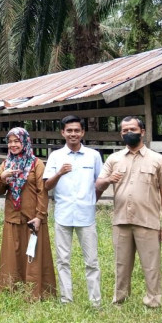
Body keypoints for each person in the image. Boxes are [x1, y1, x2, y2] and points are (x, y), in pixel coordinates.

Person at [96, 116, 162, 308]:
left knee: (151, 265)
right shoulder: (114, 159)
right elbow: (98, 183)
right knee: (121, 265)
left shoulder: (158, 160)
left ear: (143, 132)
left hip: (147, 221)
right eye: (124, 130)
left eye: (132, 129)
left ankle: (153, 301)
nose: (128, 133)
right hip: (121, 220)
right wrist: (108, 180)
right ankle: (120, 300)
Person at [43, 115, 102, 306]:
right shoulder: (55, 156)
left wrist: (91, 201)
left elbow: (99, 183)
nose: (73, 134)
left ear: (83, 132)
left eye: (77, 130)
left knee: (91, 261)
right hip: (63, 215)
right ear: (62, 133)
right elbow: (46, 186)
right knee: (63, 260)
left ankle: (95, 301)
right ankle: (66, 299)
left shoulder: (93, 156)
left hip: (86, 215)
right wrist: (59, 173)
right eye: (69, 130)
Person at [0, 127, 56, 300]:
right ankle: (11, 290)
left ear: (25, 142)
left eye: (17, 141)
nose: (13, 145)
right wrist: (3, 178)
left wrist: (40, 216)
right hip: (13, 216)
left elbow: (42, 192)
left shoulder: (36, 163)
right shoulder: (6, 163)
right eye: (10, 141)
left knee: (33, 255)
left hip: (33, 217)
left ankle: (35, 292)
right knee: (12, 254)